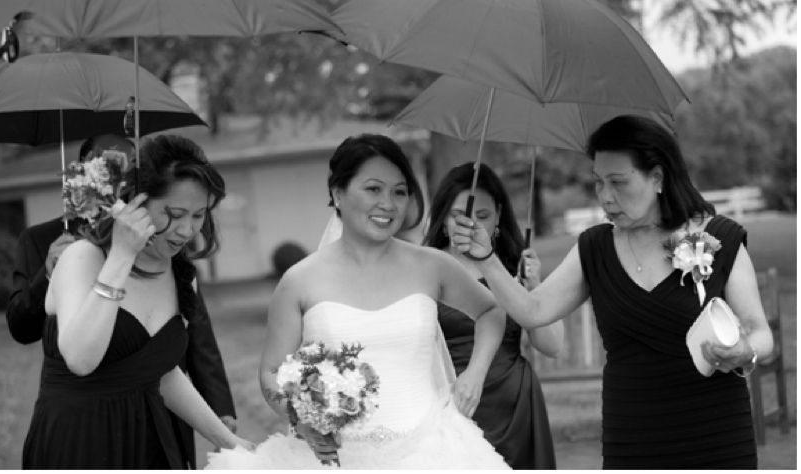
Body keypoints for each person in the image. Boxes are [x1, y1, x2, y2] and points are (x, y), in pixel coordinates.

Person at [455, 116, 774, 469]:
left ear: (657, 177)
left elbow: (761, 334)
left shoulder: (720, 239)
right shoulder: (594, 248)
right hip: (631, 436)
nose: (606, 196)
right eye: (598, 182)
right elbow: (532, 311)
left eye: (618, 182)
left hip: (716, 432)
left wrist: (746, 351)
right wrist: (486, 258)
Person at [207, 133, 511, 469]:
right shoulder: (299, 280)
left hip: (430, 451)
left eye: (400, 192)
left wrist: (475, 373)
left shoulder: (432, 265)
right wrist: (301, 418)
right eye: (373, 189)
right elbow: (270, 371)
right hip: (334, 456)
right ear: (338, 193)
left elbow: (491, 311)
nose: (389, 203)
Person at [22, 135, 255, 469]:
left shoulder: (181, 276)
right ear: (134, 204)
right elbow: (80, 358)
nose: (187, 230)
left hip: (149, 442)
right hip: (78, 441)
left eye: (198, 215)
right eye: (173, 214)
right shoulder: (81, 258)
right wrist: (121, 255)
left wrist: (227, 440)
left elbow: (158, 372)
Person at [423, 162, 561, 469]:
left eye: (483, 216)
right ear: (443, 219)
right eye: (460, 216)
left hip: (514, 408)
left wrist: (534, 287)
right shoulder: (426, 267)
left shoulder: (514, 266)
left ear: (498, 215)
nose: (472, 226)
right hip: (449, 401)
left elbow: (552, 346)